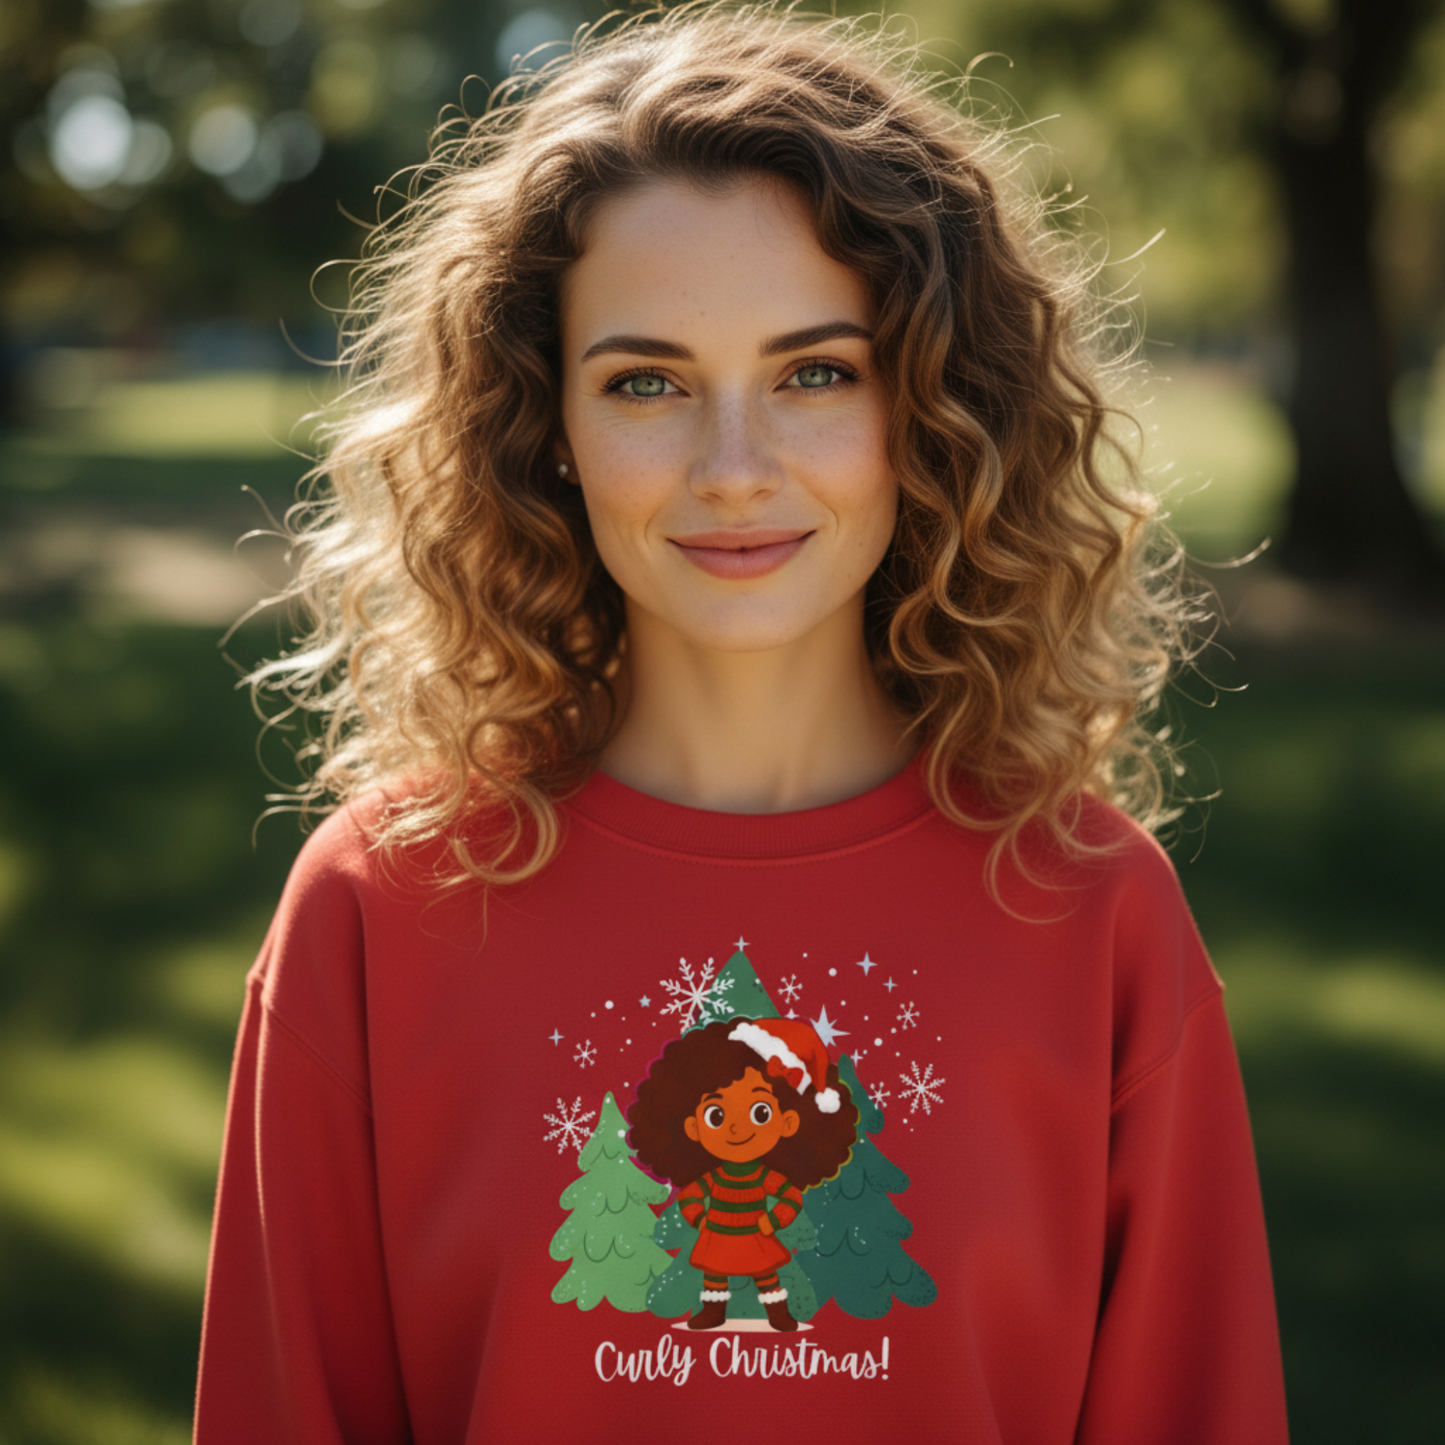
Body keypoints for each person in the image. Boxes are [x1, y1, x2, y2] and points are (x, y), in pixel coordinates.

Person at [195, 4, 1290, 1441]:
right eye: (646, 383)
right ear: (546, 429)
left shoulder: (1095, 918)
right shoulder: (377, 910)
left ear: (935, 407)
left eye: (814, 373)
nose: (731, 468)